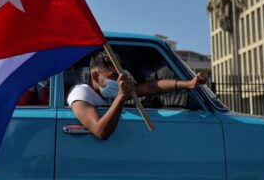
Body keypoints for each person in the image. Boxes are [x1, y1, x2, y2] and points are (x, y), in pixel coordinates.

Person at [67, 51, 204, 140]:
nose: (118, 80)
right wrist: (121, 96)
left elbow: (151, 87)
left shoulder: (109, 92)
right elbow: (100, 131)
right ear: (95, 77)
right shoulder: (80, 94)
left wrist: (188, 84)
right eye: (114, 76)